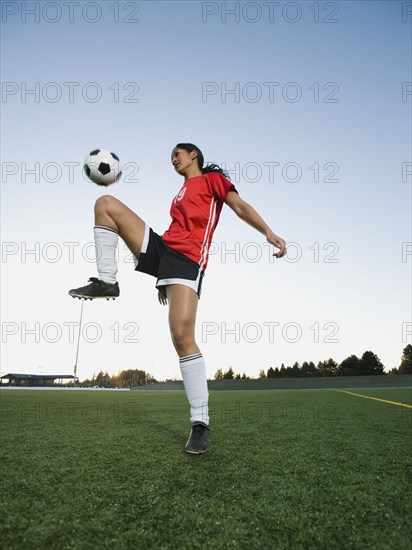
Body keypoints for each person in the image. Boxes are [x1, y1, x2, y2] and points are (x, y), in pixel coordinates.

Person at [69, 143, 286, 454]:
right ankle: (107, 281)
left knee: (182, 335)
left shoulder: (212, 181)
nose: (173, 160)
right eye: (171, 156)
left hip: (187, 260)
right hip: (163, 250)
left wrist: (267, 231)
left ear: (193, 155)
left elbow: (239, 207)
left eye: (177, 155)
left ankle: (200, 423)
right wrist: (162, 279)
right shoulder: (181, 191)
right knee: (105, 203)